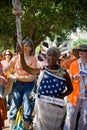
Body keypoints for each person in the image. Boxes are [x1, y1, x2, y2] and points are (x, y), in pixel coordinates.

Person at [19, 45, 73, 130]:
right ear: (46, 56)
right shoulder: (42, 70)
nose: (51, 58)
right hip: (41, 107)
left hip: (56, 108)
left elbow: (70, 89)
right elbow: (26, 68)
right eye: (49, 55)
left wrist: (60, 96)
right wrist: (21, 55)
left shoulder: (64, 73)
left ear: (58, 57)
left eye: (54, 55)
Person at [3, 38, 37, 130]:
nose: (24, 48)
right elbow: (6, 68)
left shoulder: (33, 59)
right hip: (16, 85)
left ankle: (26, 128)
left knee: (27, 109)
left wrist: (16, 77)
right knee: (13, 109)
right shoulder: (15, 58)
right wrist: (4, 70)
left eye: (26, 46)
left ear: (31, 48)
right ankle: (11, 128)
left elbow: (32, 77)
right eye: (23, 46)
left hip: (29, 86)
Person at [64, 44, 87, 130]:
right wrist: (74, 77)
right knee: (71, 117)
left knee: (85, 118)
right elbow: (68, 78)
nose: (81, 52)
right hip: (74, 95)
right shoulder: (74, 64)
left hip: (86, 95)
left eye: (83, 51)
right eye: (80, 51)